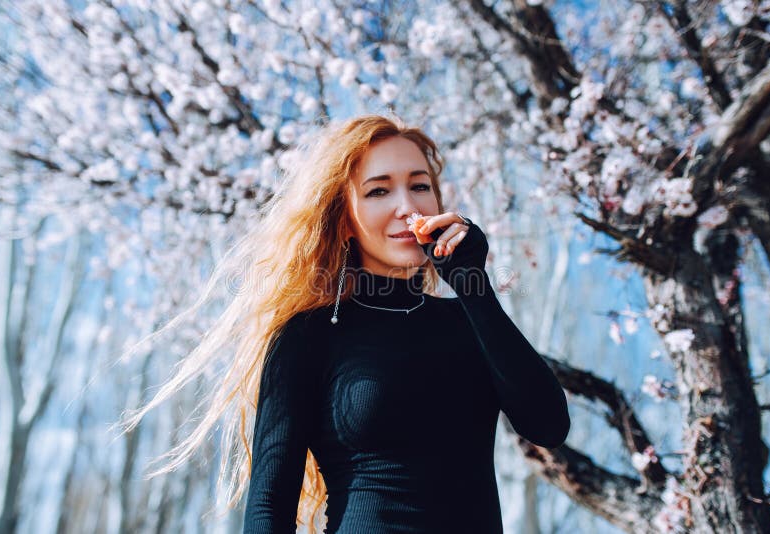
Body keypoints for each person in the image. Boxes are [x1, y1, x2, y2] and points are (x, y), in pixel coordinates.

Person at [118, 114, 569, 534]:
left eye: (419, 186)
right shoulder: (308, 334)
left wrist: (474, 285)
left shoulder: (469, 321)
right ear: (346, 219)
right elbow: (268, 508)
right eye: (378, 191)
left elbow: (548, 426)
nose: (407, 207)